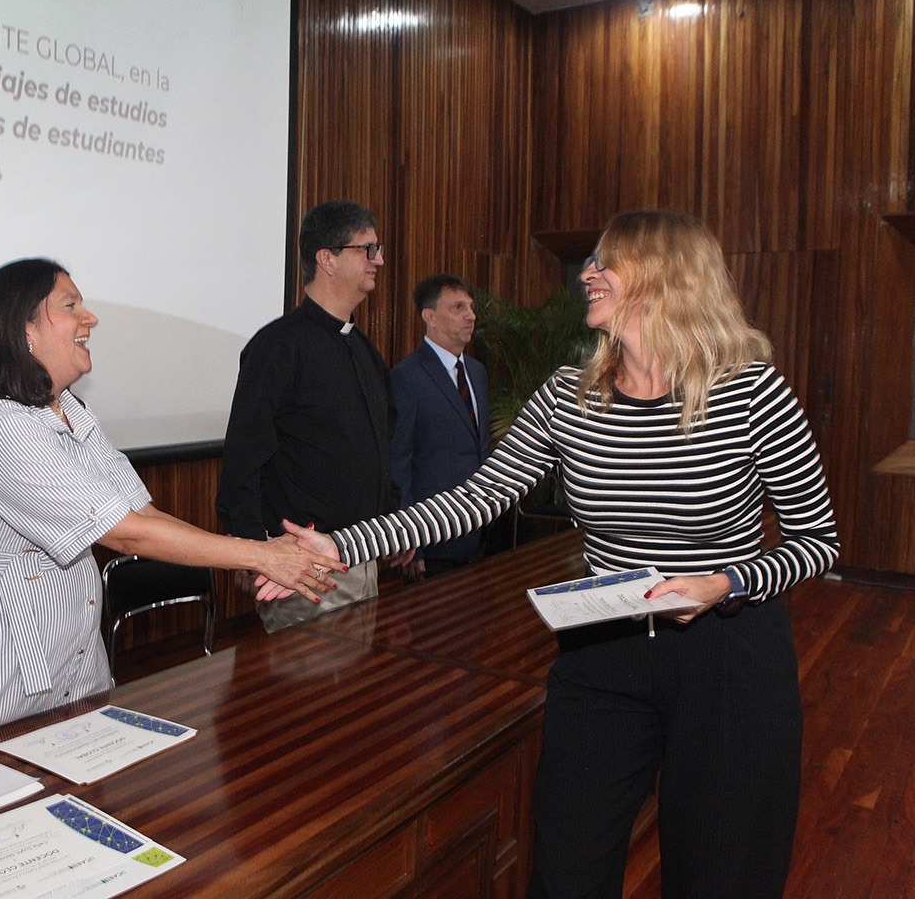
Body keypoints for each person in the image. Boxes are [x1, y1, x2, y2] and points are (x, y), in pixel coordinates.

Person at [287, 210, 839, 898]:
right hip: (603, 651)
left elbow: (818, 541)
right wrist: (343, 545)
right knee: (566, 867)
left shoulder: (753, 393)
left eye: (607, 262)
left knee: (721, 875)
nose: (587, 274)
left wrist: (724, 582)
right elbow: (476, 497)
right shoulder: (568, 396)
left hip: (728, 657)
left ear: (666, 276)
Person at [0, 258, 335, 758]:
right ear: (23, 329)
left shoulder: (71, 412)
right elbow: (125, 533)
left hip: (69, 653)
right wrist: (260, 556)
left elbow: (142, 515)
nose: (90, 318)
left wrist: (264, 552)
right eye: (70, 306)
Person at [215, 199, 402, 632]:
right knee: (311, 675)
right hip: (303, 566)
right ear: (327, 259)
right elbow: (243, 459)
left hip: (363, 554)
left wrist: (392, 524)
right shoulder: (277, 347)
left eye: (377, 249)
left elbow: (380, 449)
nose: (378, 260)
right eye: (367, 249)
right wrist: (252, 550)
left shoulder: (365, 350)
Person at [390, 274, 490, 578]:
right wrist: (411, 542)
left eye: (471, 307)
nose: (470, 316)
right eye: (458, 307)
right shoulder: (407, 377)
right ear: (429, 317)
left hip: (479, 536)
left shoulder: (477, 372)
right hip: (432, 543)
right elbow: (398, 465)